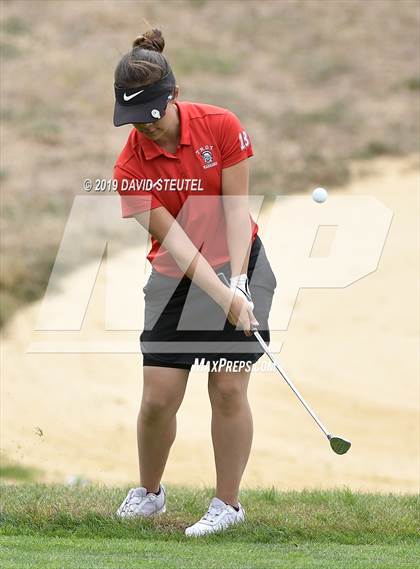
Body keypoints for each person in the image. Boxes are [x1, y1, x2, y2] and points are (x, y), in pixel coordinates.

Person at [112, 28, 277, 537]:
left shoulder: (221, 126)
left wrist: (240, 283)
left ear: (174, 97)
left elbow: (235, 209)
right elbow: (178, 247)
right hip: (175, 278)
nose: (146, 128)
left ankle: (227, 504)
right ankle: (149, 494)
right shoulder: (129, 166)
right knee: (159, 396)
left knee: (227, 387)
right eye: (134, 119)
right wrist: (221, 293)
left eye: (153, 115)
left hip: (239, 260)